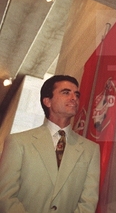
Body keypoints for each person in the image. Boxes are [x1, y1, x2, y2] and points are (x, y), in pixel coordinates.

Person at [0, 75, 100, 213]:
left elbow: (88, 202)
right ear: (47, 101)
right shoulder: (18, 142)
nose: (74, 98)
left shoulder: (91, 150)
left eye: (76, 94)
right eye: (66, 92)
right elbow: (5, 196)